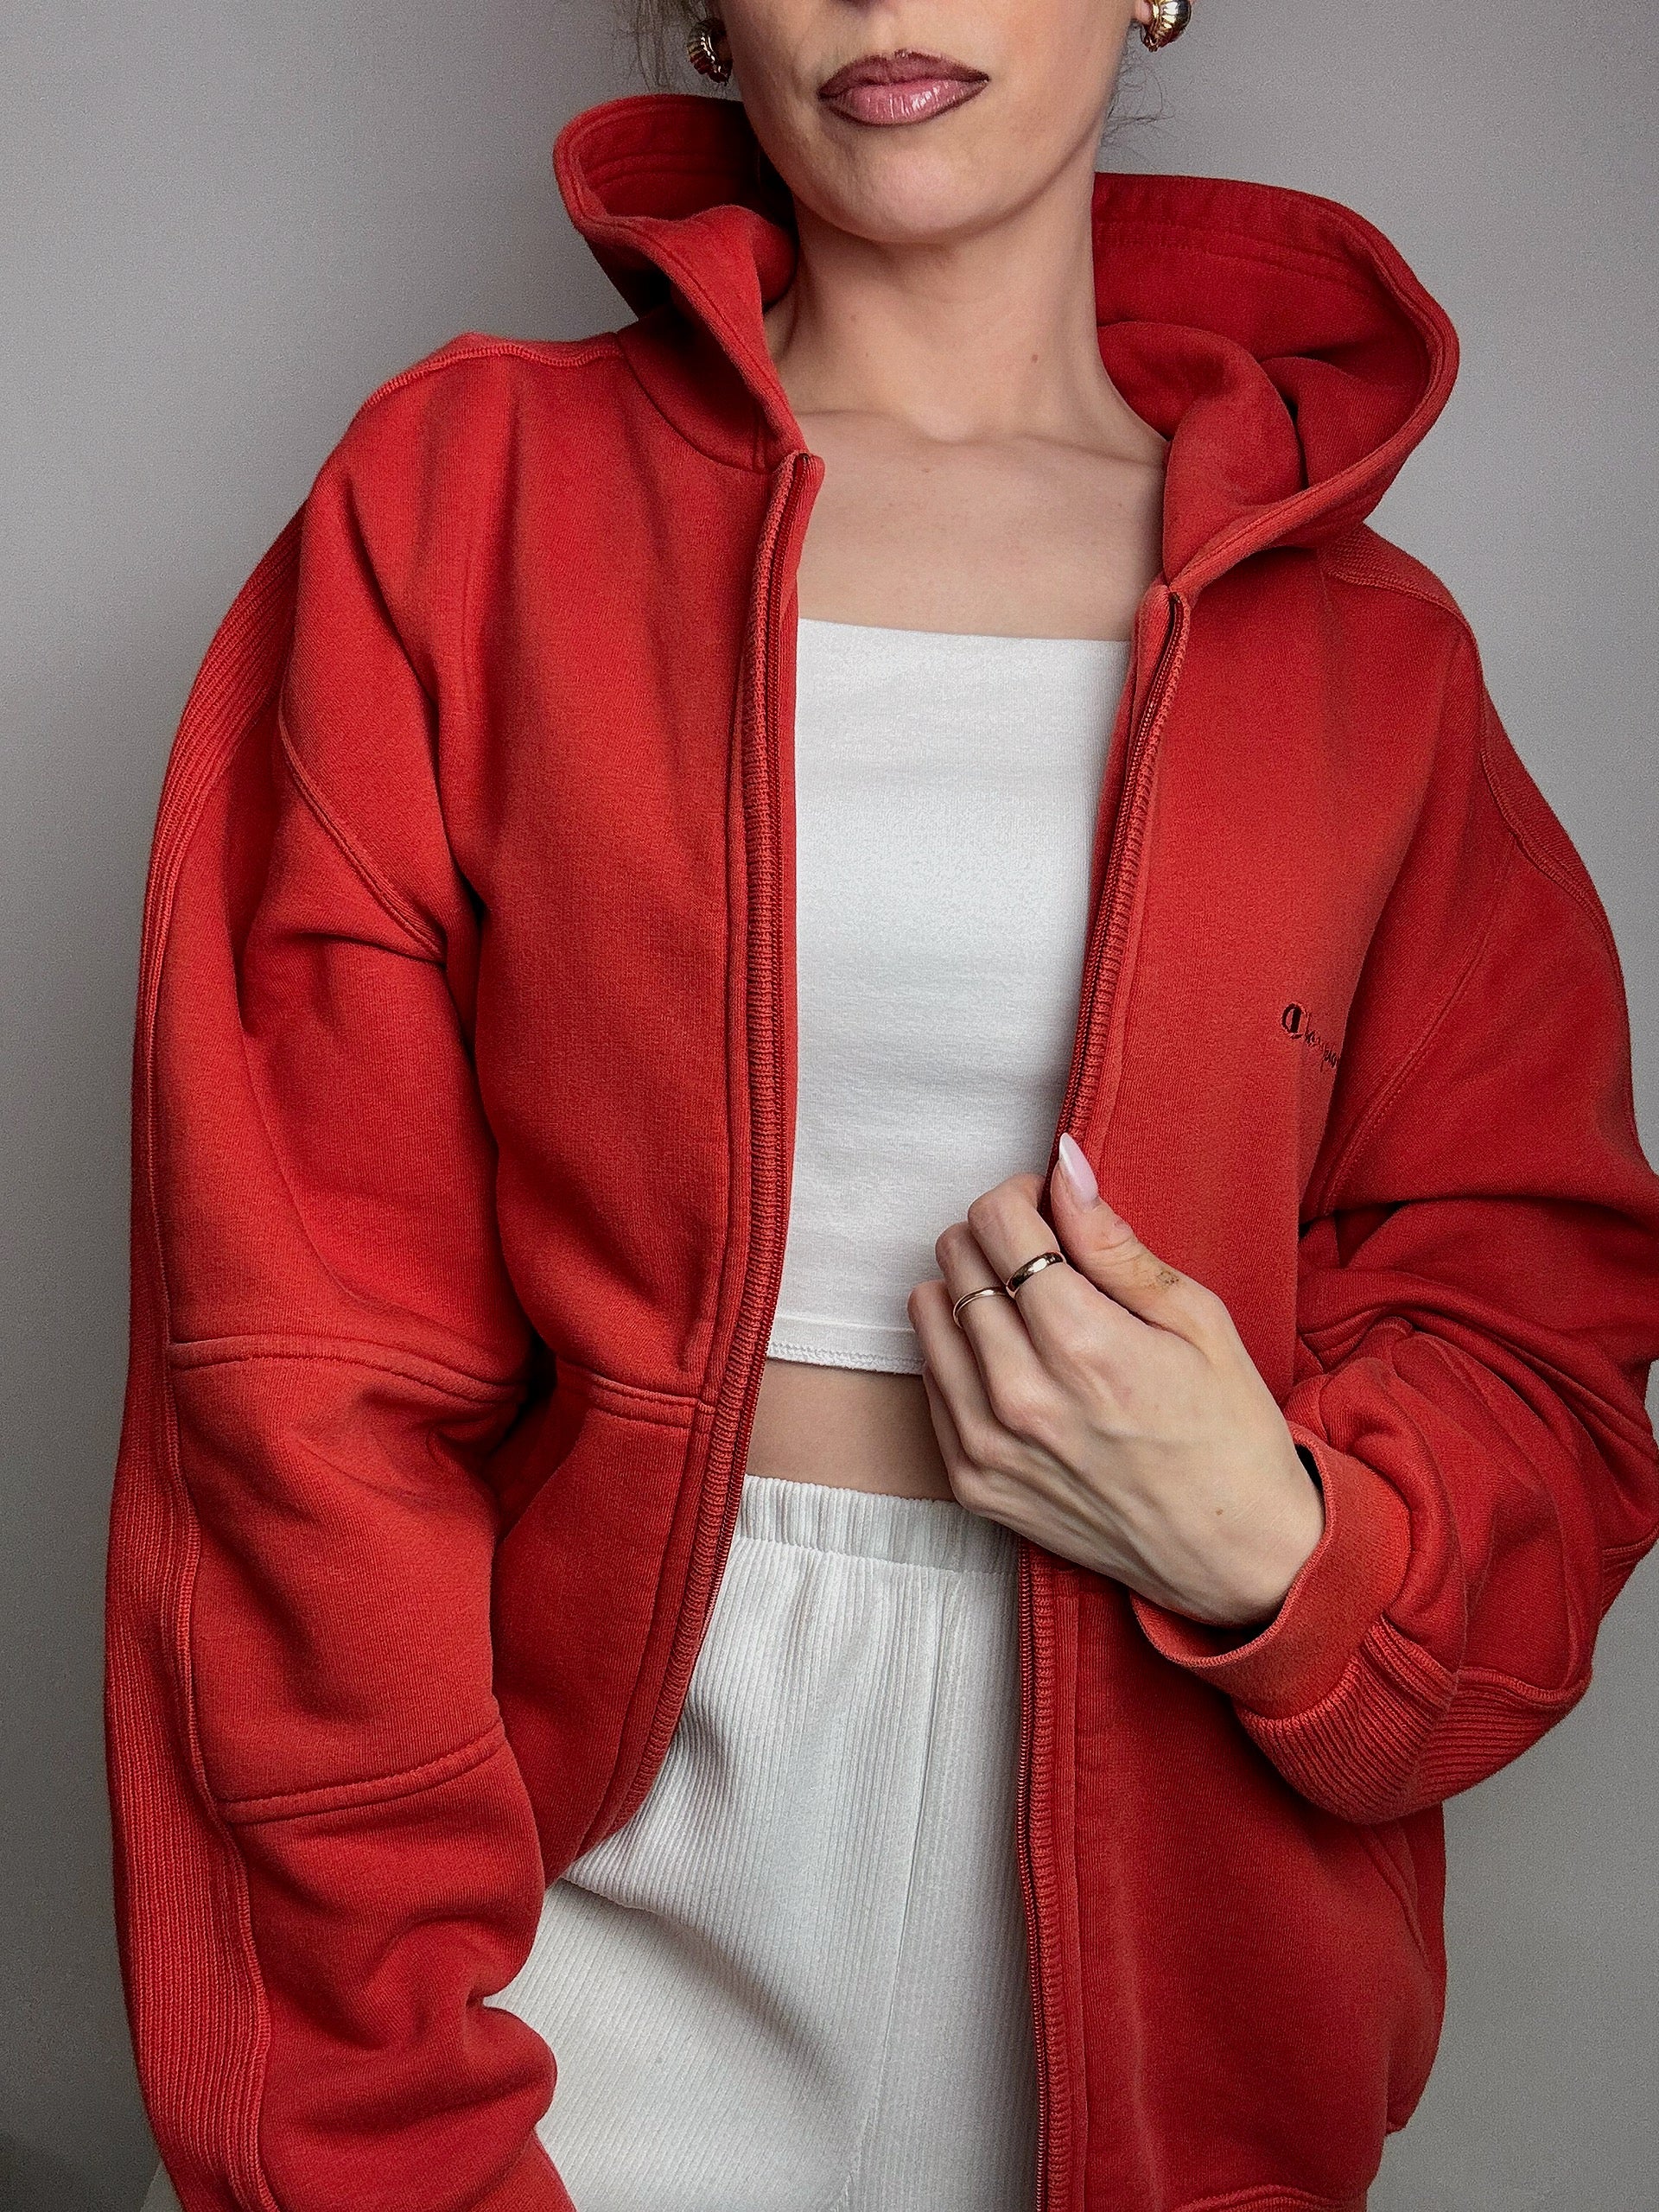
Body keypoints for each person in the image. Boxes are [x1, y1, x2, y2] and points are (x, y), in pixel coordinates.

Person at [115, 3, 1659, 2209]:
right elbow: (288, 1389)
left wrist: (1288, 1540)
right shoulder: (467, 501)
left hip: (1166, 1931)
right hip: (564, 1888)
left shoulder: (1369, 654)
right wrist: (364, 2070)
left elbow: (1543, 1351)